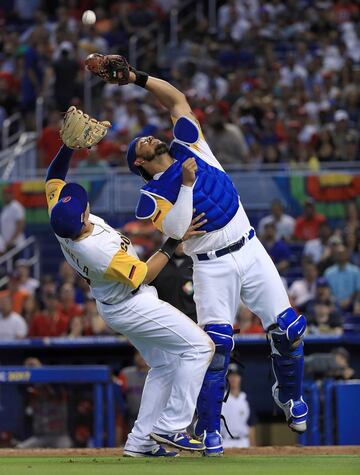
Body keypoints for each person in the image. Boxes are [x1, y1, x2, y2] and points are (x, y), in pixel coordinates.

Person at [88, 55, 308, 455]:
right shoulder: (151, 195)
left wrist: (136, 78)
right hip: (212, 264)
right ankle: (208, 430)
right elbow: (173, 231)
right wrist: (187, 186)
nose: (149, 137)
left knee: (290, 328)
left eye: (149, 136)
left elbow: (176, 101)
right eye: (141, 143)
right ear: (139, 161)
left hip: (250, 244)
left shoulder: (188, 141)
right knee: (218, 346)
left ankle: (290, 395)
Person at [44, 132, 214, 457]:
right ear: (82, 218)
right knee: (199, 347)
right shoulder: (96, 250)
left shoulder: (60, 223)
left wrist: (67, 147)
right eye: (81, 206)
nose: (81, 201)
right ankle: (172, 426)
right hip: (129, 303)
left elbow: (53, 178)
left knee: (164, 366)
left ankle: (140, 443)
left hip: (119, 299)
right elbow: (146, 274)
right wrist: (174, 240)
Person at [220, 363, 256, 448]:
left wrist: (253, 446)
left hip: (243, 442)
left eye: (236, 376)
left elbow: (251, 425)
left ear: (240, 378)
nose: (233, 379)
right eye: (230, 376)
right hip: (225, 442)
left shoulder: (246, 399)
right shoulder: (220, 399)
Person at [118, 351, 149, 432]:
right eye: (138, 354)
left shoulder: (158, 373)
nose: (141, 357)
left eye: (143, 354)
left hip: (152, 417)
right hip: (131, 416)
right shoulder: (126, 373)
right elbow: (118, 394)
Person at [0, 186, 25, 251]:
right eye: (4, 194)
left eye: (8, 194)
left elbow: (20, 225)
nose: (6, 196)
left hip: (16, 244)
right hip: (7, 245)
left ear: (12, 195)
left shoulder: (16, 207)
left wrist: (12, 240)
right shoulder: (5, 208)